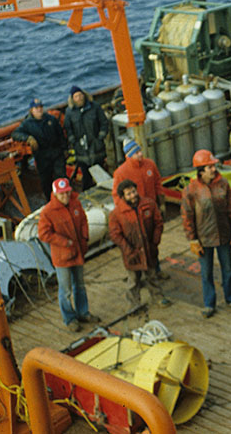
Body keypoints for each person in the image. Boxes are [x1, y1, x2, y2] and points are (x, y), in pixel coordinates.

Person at [181, 149, 231, 318]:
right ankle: (209, 304)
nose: (214, 169)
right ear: (201, 170)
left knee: (228, 269)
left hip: (224, 235)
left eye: (214, 166)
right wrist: (192, 239)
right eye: (210, 167)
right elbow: (187, 217)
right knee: (206, 273)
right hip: (203, 239)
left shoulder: (223, 184)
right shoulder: (191, 190)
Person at [38, 178, 99, 331]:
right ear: (55, 194)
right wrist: (64, 242)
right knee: (65, 290)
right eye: (62, 194)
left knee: (80, 285)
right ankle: (69, 319)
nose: (65, 196)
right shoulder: (47, 212)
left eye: (67, 193)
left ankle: (83, 313)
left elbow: (83, 220)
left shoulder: (75, 203)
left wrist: (85, 237)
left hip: (78, 252)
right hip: (62, 257)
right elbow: (44, 234)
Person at [112, 138, 168, 280]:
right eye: (136, 153)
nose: (140, 154)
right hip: (134, 216)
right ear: (128, 156)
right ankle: (137, 276)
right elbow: (116, 196)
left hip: (150, 212)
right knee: (135, 246)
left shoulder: (150, 165)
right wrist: (126, 214)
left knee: (153, 243)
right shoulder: (121, 172)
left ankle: (156, 270)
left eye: (140, 151)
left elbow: (157, 183)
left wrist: (161, 203)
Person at [109, 179, 171, 308]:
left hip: (149, 249)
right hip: (131, 254)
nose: (133, 195)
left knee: (152, 275)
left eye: (133, 191)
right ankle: (134, 304)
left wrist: (154, 242)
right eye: (129, 194)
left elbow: (158, 223)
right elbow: (115, 235)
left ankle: (158, 297)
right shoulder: (116, 214)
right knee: (133, 280)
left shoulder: (149, 204)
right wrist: (128, 250)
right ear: (122, 197)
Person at [13, 98, 67, 200]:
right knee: (46, 182)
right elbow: (15, 134)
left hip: (56, 154)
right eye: (36, 108)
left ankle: (65, 198)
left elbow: (61, 135)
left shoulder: (51, 119)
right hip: (42, 157)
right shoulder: (27, 124)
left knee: (61, 178)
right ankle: (50, 201)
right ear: (31, 110)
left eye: (40, 107)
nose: (39, 110)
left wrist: (64, 150)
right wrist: (28, 138)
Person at [64, 85, 109, 189]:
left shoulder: (95, 107)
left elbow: (104, 122)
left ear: (84, 95)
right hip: (81, 150)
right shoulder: (69, 112)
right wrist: (72, 140)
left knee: (100, 172)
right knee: (86, 175)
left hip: (96, 147)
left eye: (80, 95)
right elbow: (68, 128)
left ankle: (104, 190)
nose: (79, 98)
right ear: (72, 99)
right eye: (76, 96)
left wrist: (101, 136)